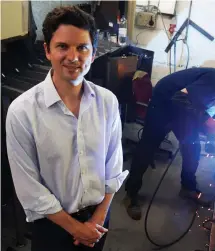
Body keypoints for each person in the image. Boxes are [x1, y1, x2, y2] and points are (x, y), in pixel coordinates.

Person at [6, 6, 128, 251]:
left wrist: (98, 217)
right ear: (47, 51)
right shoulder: (23, 111)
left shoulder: (107, 102)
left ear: (93, 54)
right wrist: (75, 228)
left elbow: (113, 166)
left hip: (99, 219)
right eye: (63, 46)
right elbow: (29, 187)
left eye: (82, 47)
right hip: (52, 226)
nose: (73, 57)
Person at [124, 67, 215, 220]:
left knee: (192, 147)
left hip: (182, 111)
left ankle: (188, 188)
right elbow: (180, 98)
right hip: (164, 105)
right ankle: (131, 195)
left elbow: (202, 106)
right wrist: (210, 124)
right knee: (147, 148)